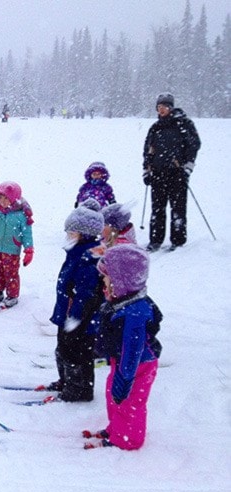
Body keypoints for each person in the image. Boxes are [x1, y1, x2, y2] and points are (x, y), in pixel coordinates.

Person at [84, 244, 163, 450]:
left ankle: (129, 440)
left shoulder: (135, 312)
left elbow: (133, 348)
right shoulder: (122, 302)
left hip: (138, 365)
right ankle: (116, 430)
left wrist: (126, 375)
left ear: (121, 281)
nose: (103, 281)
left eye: (107, 277)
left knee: (129, 403)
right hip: (121, 362)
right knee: (114, 397)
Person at [45, 199, 104, 402]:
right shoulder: (76, 253)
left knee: (77, 354)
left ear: (85, 234)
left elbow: (86, 295)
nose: (68, 236)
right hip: (68, 314)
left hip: (81, 320)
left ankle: (80, 390)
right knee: (63, 349)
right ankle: (67, 381)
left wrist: (75, 319)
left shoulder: (89, 258)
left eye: (72, 232)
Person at [142, 93, 201, 252]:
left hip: (177, 173)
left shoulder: (184, 124)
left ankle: (178, 240)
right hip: (157, 174)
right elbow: (148, 150)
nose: (161, 110)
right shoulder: (155, 127)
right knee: (157, 209)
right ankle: (155, 240)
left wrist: (187, 168)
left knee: (178, 209)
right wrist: (146, 171)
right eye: (159, 107)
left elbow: (193, 146)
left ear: (171, 107)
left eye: (164, 107)